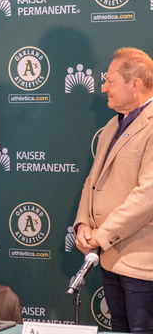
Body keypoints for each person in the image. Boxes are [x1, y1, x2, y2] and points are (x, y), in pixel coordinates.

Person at [74, 47, 153, 333]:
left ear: (135, 84)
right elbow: (93, 180)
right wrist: (83, 222)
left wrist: (100, 236)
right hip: (111, 260)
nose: (103, 87)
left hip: (142, 264)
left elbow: (148, 196)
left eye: (110, 81)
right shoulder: (112, 124)